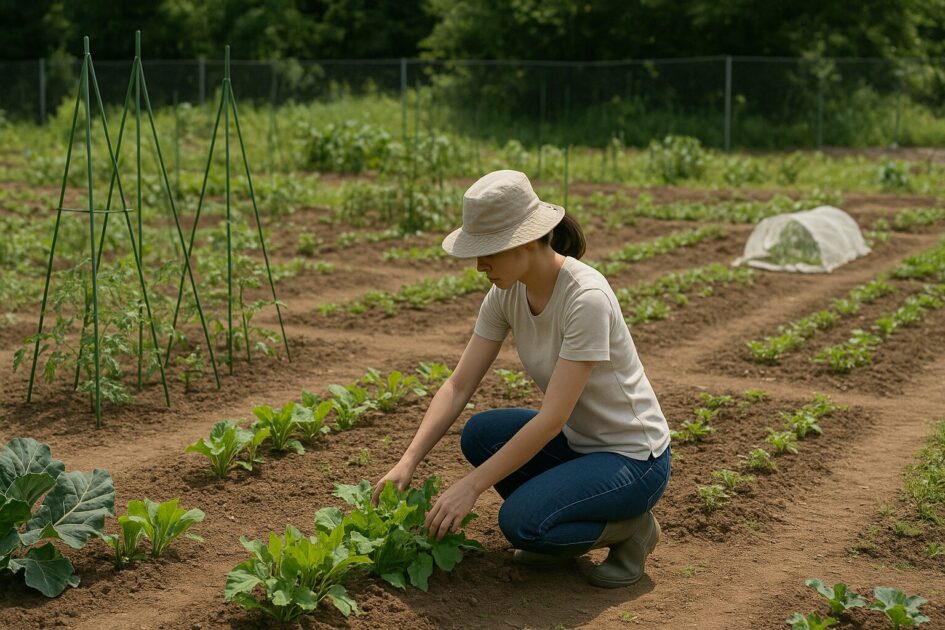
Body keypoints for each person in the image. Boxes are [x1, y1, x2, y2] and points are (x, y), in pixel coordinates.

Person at [373, 169, 671, 588]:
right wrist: (407, 461)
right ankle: (561, 524)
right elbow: (459, 385)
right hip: (580, 443)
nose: (479, 266)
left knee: (522, 525)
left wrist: (471, 486)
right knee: (480, 433)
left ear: (527, 241)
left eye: (488, 251)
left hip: (634, 460)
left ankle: (631, 528)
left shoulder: (586, 298)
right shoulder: (505, 293)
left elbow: (551, 419)